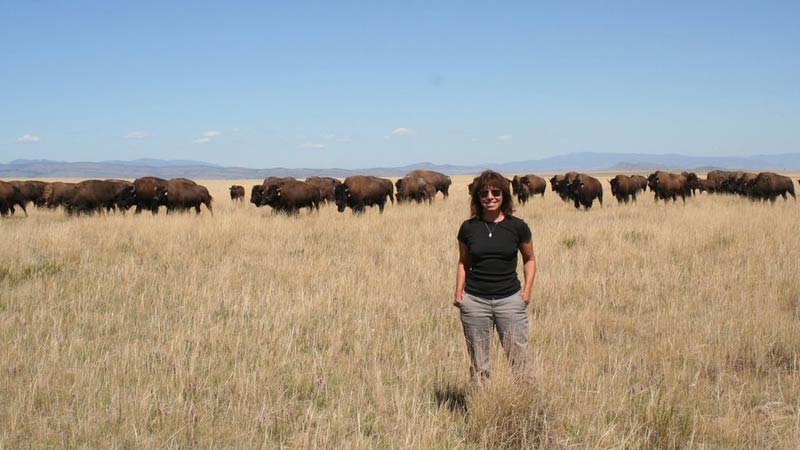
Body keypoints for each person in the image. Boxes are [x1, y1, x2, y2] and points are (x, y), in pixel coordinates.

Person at [454, 170, 536, 389]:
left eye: (495, 192)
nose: (490, 197)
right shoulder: (468, 228)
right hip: (475, 302)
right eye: (484, 193)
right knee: (479, 364)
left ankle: (529, 410)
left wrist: (526, 292)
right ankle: (481, 409)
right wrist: (459, 293)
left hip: (510, 299)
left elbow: (529, 259)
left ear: (505, 196)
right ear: (477, 197)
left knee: (520, 359)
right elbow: (463, 261)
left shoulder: (517, 226)